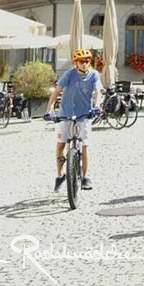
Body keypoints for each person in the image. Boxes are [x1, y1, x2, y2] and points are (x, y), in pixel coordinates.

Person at [44, 49, 102, 191]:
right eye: (82, 61)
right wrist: (48, 110)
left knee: (85, 145)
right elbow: (57, 91)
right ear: (75, 62)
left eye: (87, 60)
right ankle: (60, 175)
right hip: (66, 114)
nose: (85, 63)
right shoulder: (69, 75)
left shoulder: (94, 75)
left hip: (84, 115)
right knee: (60, 146)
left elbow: (98, 92)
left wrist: (97, 106)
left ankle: (85, 176)